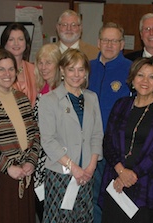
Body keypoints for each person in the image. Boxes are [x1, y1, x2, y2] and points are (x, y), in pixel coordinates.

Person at [100, 57, 153, 223]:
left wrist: (133, 175)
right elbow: (108, 142)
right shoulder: (121, 104)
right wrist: (121, 172)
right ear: (132, 79)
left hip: (148, 184)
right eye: (140, 75)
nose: (145, 81)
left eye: (152, 77)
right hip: (116, 181)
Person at [38, 48, 103, 222]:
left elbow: (97, 134)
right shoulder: (48, 100)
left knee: (83, 217)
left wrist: (91, 166)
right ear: (62, 71)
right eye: (71, 69)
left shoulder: (92, 98)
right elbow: (48, 140)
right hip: (61, 174)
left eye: (81, 69)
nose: (76, 74)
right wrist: (73, 167)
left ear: (86, 72)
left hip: (87, 174)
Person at [0, 49, 41, 223]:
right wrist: (8, 167)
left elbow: (35, 133)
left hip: (25, 173)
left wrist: (31, 160)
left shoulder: (22, 98)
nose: (7, 74)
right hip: (0, 175)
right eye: (1, 69)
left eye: (11, 69)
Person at [88, 22, 132, 222]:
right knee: (93, 194)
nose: (109, 45)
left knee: (116, 195)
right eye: (105, 40)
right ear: (98, 42)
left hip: (116, 147)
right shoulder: (87, 67)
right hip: (88, 146)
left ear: (122, 44)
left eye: (114, 41)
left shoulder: (131, 70)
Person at [32, 42, 62, 220]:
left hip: (57, 162)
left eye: (48, 62)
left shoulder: (64, 92)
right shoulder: (40, 91)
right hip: (39, 163)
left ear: (58, 65)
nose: (43, 67)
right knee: (42, 209)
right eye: (40, 62)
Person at [0, 22, 37, 106]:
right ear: (4, 43)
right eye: (11, 39)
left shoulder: (34, 70)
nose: (16, 43)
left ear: (26, 43)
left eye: (20, 39)